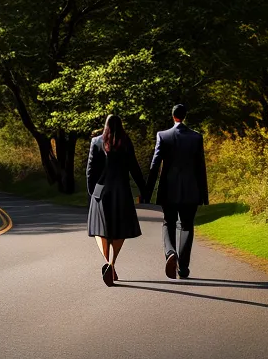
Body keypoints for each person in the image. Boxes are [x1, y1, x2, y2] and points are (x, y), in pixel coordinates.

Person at [145, 103, 208, 280]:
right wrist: (204, 195)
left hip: (168, 188)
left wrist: (147, 192)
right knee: (187, 225)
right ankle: (183, 268)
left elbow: (154, 165)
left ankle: (170, 252)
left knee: (168, 222)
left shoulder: (163, 136)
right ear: (185, 116)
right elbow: (200, 167)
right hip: (191, 188)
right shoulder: (196, 137)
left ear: (173, 116)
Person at [86, 114, 148, 286]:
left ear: (105, 126)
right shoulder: (125, 142)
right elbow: (134, 167)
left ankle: (107, 263)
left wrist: (92, 192)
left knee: (100, 230)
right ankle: (112, 263)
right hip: (122, 192)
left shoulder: (96, 142)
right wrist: (144, 189)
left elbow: (90, 171)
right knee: (120, 231)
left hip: (101, 192)